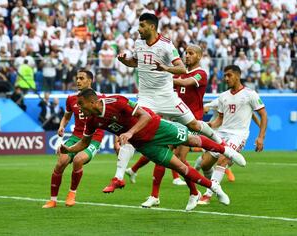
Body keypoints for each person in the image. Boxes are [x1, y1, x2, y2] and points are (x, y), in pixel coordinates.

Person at [60, 89, 246, 209]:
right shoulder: (92, 120)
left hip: (157, 128)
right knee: (179, 167)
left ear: (92, 102)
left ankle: (227, 151)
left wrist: (130, 133)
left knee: (194, 141)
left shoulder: (116, 101)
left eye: (82, 105)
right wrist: (69, 149)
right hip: (144, 145)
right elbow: (84, 143)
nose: (80, 109)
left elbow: (145, 117)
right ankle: (214, 187)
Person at [104, 13, 222, 195]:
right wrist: (125, 61)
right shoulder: (138, 44)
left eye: (142, 25)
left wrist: (165, 70)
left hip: (171, 101)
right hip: (147, 97)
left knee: (192, 132)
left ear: (152, 27)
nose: (138, 29)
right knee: (152, 143)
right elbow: (136, 63)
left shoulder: (170, 48)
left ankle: (222, 147)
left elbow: (182, 72)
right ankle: (122, 178)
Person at [125, 44, 209, 210]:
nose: (187, 56)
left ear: (199, 56)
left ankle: (195, 192)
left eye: (191, 53)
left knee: (180, 159)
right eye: (186, 53)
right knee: (162, 154)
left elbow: (185, 81)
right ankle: (155, 196)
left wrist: (166, 74)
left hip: (191, 121)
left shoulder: (200, 73)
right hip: (174, 119)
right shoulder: (176, 73)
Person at [197, 65, 267, 205]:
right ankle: (216, 187)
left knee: (223, 158)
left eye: (229, 75)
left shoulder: (250, 94)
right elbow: (220, 120)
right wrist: (209, 126)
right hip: (222, 133)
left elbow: (264, 115)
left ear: (238, 76)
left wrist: (260, 137)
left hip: (238, 135)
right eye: (225, 76)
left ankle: (208, 194)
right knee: (205, 164)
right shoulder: (223, 97)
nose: (226, 78)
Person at [42, 70, 105, 209]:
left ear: (90, 81)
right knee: (61, 162)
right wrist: (61, 126)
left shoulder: (101, 98)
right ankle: (52, 200)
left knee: (78, 160)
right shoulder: (71, 98)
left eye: (82, 78)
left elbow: (111, 117)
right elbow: (67, 116)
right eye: (77, 78)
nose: (78, 81)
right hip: (76, 136)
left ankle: (72, 194)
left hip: (94, 138)